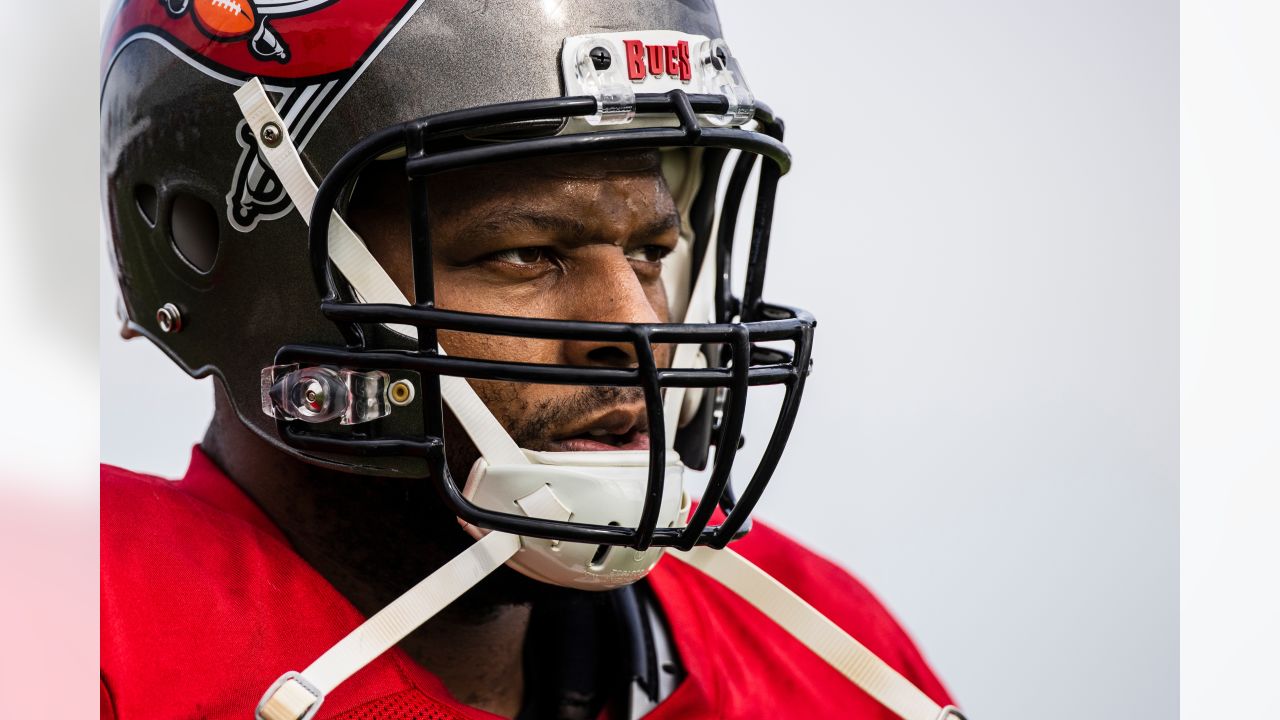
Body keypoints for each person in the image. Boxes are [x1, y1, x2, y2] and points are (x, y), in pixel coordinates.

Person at [100, 2, 958, 718]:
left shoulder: (819, 654)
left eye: (653, 252)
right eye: (525, 253)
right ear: (217, 250)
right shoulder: (78, 631)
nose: (635, 330)